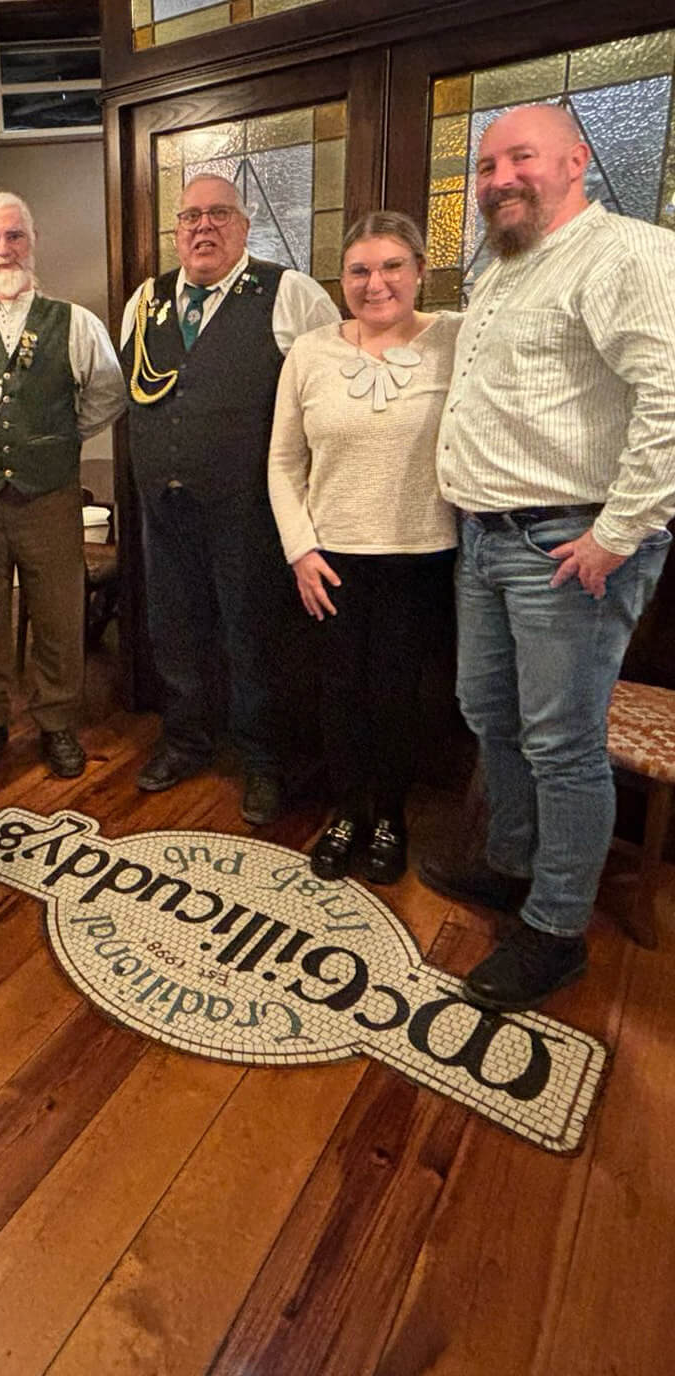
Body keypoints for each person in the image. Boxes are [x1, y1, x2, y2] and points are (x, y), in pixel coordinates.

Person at [426, 102, 675, 1011]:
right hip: (487, 537)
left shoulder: (628, 254)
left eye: (519, 158)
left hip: (567, 545)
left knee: (562, 743)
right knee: (487, 709)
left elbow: (671, 399)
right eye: (487, 166)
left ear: (576, 161)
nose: (499, 179)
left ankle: (557, 929)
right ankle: (516, 867)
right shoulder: (503, 269)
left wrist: (617, 533)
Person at [119, 173, 340, 824]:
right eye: (191, 217)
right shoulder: (145, 301)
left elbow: (329, 389)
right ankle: (185, 740)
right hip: (165, 508)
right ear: (177, 230)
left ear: (244, 226)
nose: (203, 227)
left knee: (254, 635)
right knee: (174, 628)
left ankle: (265, 761)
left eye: (218, 214)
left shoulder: (289, 292)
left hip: (249, 509)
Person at [267, 212, 460, 885]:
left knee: (399, 695)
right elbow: (283, 462)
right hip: (330, 560)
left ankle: (390, 818)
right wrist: (300, 549)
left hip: (422, 554)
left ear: (419, 271)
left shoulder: (457, 338)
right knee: (339, 693)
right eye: (359, 270)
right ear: (341, 280)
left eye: (391, 266)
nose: (375, 283)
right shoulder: (310, 352)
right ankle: (347, 812)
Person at [0, 191, 125, 781]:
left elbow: (109, 392)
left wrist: (57, 436)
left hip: (50, 497)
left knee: (59, 614)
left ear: (32, 240)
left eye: (14, 235)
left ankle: (57, 721)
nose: (4, 248)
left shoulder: (76, 322)